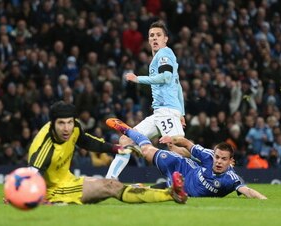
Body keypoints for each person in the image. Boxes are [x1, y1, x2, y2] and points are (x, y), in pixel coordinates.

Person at [27, 101, 187, 204]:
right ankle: (170, 194)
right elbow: (30, 176)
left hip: (69, 180)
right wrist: (24, 197)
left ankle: (169, 192)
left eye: (69, 122)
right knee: (111, 187)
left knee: (112, 185)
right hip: (56, 191)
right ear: (51, 123)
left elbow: (86, 141)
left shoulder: (74, 127)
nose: (67, 128)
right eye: (61, 123)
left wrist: (115, 148)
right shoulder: (44, 147)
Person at [106, 118, 267, 199]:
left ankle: (138, 187)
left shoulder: (230, 179)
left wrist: (263, 199)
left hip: (180, 187)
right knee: (147, 151)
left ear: (230, 161)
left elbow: (247, 190)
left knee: (150, 194)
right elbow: (186, 143)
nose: (218, 161)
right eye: (217, 157)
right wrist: (172, 140)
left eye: (223, 159)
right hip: (180, 166)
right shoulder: (208, 156)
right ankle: (126, 129)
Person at [106, 20, 186, 179]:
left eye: (158, 35)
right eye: (152, 36)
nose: (155, 38)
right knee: (126, 139)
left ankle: (207, 165)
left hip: (166, 110)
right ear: (148, 40)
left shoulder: (164, 54)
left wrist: (138, 79)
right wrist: (182, 112)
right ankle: (109, 181)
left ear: (166, 39)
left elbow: (166, 77)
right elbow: (177, 86)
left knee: (177, 147)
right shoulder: (161, 56)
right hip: (161, 112)